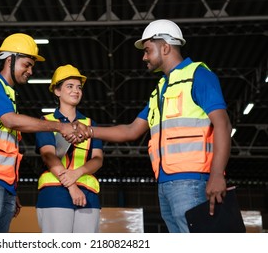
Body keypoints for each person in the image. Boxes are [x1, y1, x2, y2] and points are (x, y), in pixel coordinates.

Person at [83, 19, 232, 233]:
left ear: (165, 47)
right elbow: (131, 130)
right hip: (165, 183)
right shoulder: (161, 89)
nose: (144, 57)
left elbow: (223, 124)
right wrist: (88, 131)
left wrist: (217, 174)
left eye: (147, 50)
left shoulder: (197, 75)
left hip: (193, 181)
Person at [0, 34, 86, 233]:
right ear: (9, 60)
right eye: (26, 64)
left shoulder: (9, 94)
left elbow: (6, 149)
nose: (30, 71)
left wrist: (11, 190)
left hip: (0, 183)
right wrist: (59, 126)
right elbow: (10, 121)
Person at [35, 64, 104, 232]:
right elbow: (48, 156)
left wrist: (77, 173)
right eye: (70, 86)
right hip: (55, 193)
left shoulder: (90, 124)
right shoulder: (46, 122)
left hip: (88, 195)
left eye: (79, 87)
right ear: (57, 91)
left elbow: (98, 159)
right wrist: (72, 186)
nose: (76, 91)